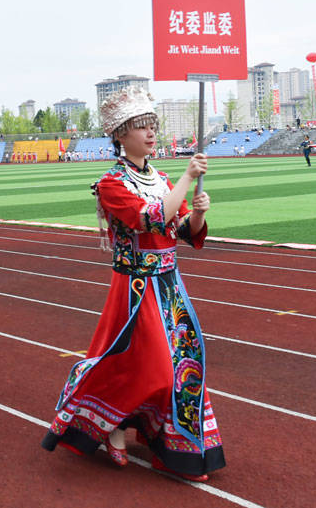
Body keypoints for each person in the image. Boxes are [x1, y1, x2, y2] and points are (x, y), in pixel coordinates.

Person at [40, 87, 223, 483]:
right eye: (141, 126)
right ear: (120, 134)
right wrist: (186, 180)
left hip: (170, 286)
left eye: (152, 125)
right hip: (136, 287)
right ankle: (116, 424)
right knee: (153, 365)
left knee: (181, 364)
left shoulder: (162, 178)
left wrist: (198, 214)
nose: (151, 133)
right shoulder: (110, 184)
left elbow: (182, 231)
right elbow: (151, 219)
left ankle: (176, 447)